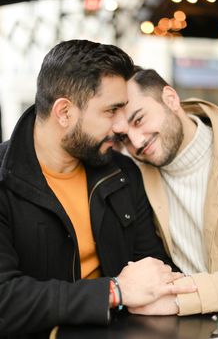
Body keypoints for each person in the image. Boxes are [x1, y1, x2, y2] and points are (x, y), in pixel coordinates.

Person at [0, 41, 196, 339]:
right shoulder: (4, 181)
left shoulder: (122, 172)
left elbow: (155, 270)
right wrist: (114, 291)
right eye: (111, 110)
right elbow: (5, 300)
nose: (121, 126)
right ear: (64, 112)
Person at [120, 66, 218, 316]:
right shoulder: (134, 178)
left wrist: (180, 300)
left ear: (171, 99)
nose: (136, 142)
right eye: (124, 138)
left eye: (139, 120)